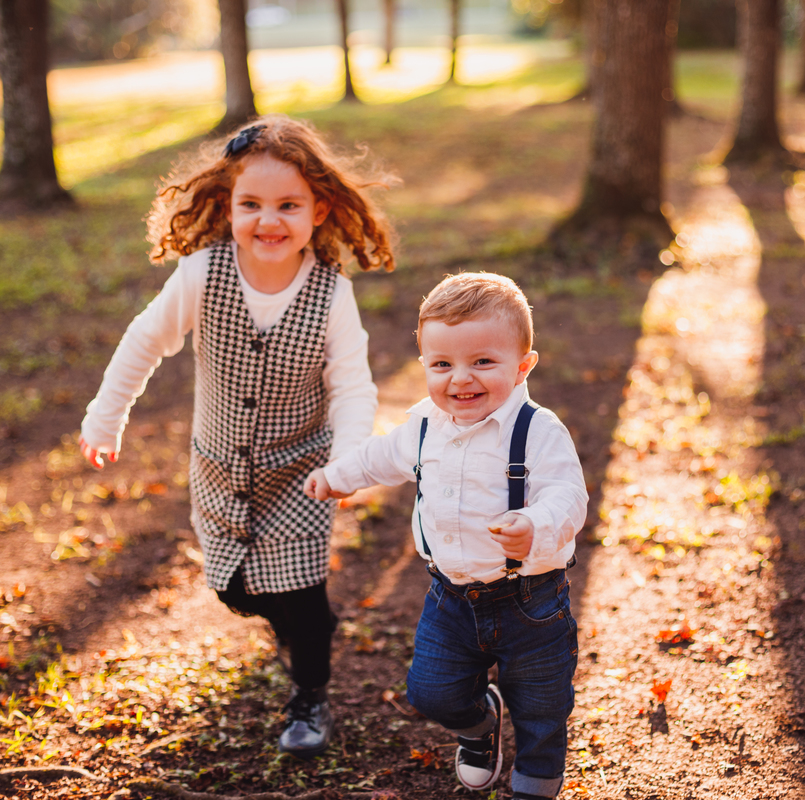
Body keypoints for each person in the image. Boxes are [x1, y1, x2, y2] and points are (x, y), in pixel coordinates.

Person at [77, 114, 395, 758]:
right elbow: (144, 343)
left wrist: (347, 462)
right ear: (227, 206)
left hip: (302, 476)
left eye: (287, 205)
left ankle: (310, 695)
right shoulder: (202, 274)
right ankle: (290, 620)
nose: (268, 221)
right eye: (251, 204)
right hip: (220, 471)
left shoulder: (331, 294)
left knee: (302, 601)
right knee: (235, 589)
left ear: (318, 209)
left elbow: (353, 387)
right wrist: (105, 417)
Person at [303, 272, 587, 800]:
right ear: (425, 367)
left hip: (532, 601)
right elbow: (380, 456)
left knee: (543, 707)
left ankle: (535, 784)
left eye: (482, 362)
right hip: (451, 599)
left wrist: (534, 525)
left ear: (523, 365)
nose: (461, 379)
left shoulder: (539, 431)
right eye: (442, 364)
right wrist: (335, 477)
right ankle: (479, 727)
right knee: (432, 692)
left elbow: (569, 496)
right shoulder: (425, 425)